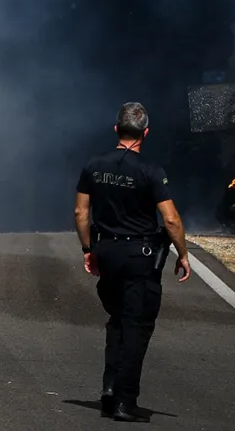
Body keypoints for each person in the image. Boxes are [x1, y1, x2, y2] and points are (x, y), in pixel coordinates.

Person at [74, 101, 191, 423]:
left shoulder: (93, 166)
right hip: (140, 257)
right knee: (137, 327)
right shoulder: (151, 171)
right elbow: (170, 219)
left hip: (107, 252)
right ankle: (126, 401)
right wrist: (182, 253)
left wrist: (88, 249)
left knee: (117, 321)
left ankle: (110, 388)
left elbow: (81, 213)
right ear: (146, 133)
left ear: (116, 129)